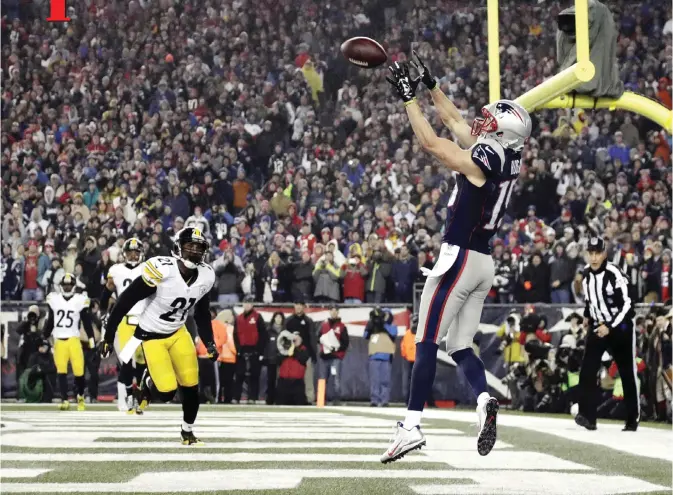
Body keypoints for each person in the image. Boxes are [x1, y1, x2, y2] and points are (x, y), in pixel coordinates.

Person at [381, 53, 532, 462]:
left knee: (426, 339)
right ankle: (484, 401)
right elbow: (453, 121)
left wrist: (408, 98)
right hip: (483, 262)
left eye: (490, 121)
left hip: (461, 257)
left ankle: (411, 426)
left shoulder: (487, 159)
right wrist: (431, 85)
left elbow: (433, 143)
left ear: (501, 133)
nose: (480, 123)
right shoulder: (505, 152)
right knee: (460, 344)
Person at [98, 227, 219, 445]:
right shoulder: (162, 269)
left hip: (178, 331)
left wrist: (209, 341)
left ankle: (187, 432)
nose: (193, 251)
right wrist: (107, 336)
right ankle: (148, 380)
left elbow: (202, 313)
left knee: (191, 385)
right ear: (178, 247)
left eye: (198, 248)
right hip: (152, 334)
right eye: (189, 246)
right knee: (166, 392)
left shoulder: (206, 275)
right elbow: (126, 300)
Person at [575, 237, 639, 431]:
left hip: (619, 328)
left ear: (604, 254)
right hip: (597, 326)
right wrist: (587, 316)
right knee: (587, 371)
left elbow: (628, 304)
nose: (594, 257)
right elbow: (590, 301)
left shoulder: (614, 273)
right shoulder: (586, 274)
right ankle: (587, 417)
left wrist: (610, 326)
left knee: (626, 372)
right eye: (591, 253)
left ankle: (631, 418)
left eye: (597, 253)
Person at [100, 238, 145, 413]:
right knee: (126, 360)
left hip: (144, 320)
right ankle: (129, 397)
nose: (133, 255)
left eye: (136, 252)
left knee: (143, 361)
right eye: (130, 252)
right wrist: (104, 314)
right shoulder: (116, 271)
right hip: (124, 320)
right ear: (124, 254)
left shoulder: (147, 269)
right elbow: (106, 293)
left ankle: (139, 395)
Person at [43, 273, 95, 411]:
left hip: (73, 339)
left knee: (79, 371)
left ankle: (80, 398)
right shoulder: (54, 299)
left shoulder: (79, 299)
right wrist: (44, 336)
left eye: (69, 285)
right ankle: (64, 399)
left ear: (73, 286)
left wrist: (91, 338)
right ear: (61, 286)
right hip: (59, 340)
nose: (67, 287)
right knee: (61, 372)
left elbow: (86, 320)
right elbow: (51, 321)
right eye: (65, 285)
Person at [233, 296, 267, 404]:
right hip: (242, 349)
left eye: (249, 303)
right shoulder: (238, 318)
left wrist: (259, 350)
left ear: (252, 305)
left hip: (254, 349)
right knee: (239, 374)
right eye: (245, 303)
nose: (247, 305)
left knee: (254, 375)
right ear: (243, 304)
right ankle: (236, 397)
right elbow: (235, 335)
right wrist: (238, 348)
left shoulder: (257, 317)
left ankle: (253, 397)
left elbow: (263, 334)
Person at [364, 307, 397, 407]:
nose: (385, 317)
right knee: (375, 380)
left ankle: (384, 400)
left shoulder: (392, 326)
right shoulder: (373, 325)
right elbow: (365, 335)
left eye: (387, 314)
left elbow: (393, 334)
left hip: (386, 357)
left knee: (385, 381)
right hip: (374, 356)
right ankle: (374, 400)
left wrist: (383, 325)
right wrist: (370, 326)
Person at [316, 305, 349, 404]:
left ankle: (336, 400)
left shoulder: (342, 326)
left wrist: (337, 348)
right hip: (324, 357)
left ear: (338, 312)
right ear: (329, 312)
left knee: (336, 379)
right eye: (332, 310)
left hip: (335, 357)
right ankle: (321, 400)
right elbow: (318, 338)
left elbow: (345, 342)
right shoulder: (324, 325)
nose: (334, 312)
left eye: (335, 311)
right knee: (322, 379)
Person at [285, 298, 316, 403]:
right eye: (296, 304)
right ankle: (289, 398)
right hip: (291, 353)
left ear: (303, 307)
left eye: (300, 305)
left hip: (305, 353)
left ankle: (310, 399)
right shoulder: (288, 321)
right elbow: (284, 337)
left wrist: (313, 354)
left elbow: (312, 338)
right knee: (290, 376)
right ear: (294, 306)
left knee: (308, 378)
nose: (298, 307)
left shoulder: (308, 321)